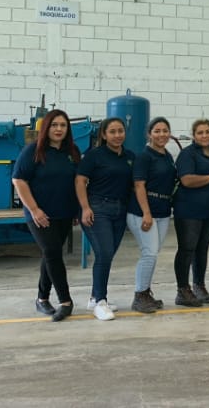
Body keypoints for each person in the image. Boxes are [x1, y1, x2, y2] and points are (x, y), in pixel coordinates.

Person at [12, 110, 81, 322]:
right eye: (54, 125)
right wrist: (34, 209)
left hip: (64, 212)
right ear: (46, 128)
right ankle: (65, 301)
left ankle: (42, 299)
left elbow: (77, 182)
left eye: (63, 125)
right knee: (52, 251)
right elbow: (19, 180)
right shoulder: (33, 151)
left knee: (50, 254)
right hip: (39, 213)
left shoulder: (72, 152)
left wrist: (77, 209)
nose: (59, 129)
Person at [76, 117, 135, 321]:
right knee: (104, 253)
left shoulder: (129, 156)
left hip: (120, 210)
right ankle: (100, 301)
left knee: (107, 255)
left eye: (121, 131)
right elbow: (80, 181)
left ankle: (95, 298)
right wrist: (85, 208)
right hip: (97, 208)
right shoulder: (94, 155)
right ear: (104, 134)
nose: (117, 135)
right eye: (112, 131)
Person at [125, 117, 177, 313]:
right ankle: (139, 296)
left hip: (162, 212)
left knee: (152, 253)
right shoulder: (144, 157)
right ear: (149, 134)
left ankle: (146, 292)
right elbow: (139, 185)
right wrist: (147, 213)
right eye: (157, 131)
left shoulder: (167, 156)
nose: (162, 134)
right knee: (149, 253)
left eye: (165, 130)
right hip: (143, 213)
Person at [172, 119, 209, 307]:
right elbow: (187, 180)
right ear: (193, 135)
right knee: (187, 249)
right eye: (200, 133)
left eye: (208, 132)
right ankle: (182, 290)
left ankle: (199, 286)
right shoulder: (187, 154)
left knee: (202, 249)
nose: (205, 135)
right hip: (189, 211)